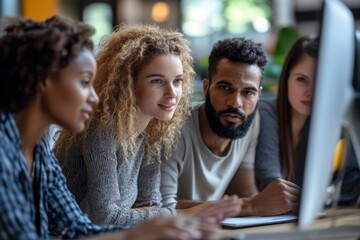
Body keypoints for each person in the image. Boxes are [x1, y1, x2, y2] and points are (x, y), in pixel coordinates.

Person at [0, 15, 215, 240]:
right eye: (85, 82)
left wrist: (155, 226)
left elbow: (76, 228)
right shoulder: (5, 151)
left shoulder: (39, 152)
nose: (94, 97)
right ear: (45, 81)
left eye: (178, 81)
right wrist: (175, 216)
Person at [54, 24, 241, 226]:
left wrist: (170, 217)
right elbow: (105, 217)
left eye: (177, 81)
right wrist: (186, 214)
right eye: (157, 81)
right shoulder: (101, 130)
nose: (172, 94)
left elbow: (149, 203)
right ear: (126, 83)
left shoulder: (151, 130)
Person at [160, 37, 300, 216]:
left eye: (248, 92)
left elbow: (245, 193)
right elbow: (162, 210)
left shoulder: (251, 121)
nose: (235, 103)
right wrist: (251, 206)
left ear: (258, 95)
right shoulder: (173, 128)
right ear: (206, 87)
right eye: (225, 88)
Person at [254, 36, 319, 190]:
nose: (310, 92)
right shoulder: (266, 113)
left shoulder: (328, 125)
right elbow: (273, 184)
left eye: (319, 81)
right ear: (286, 79)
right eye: (302, 80)